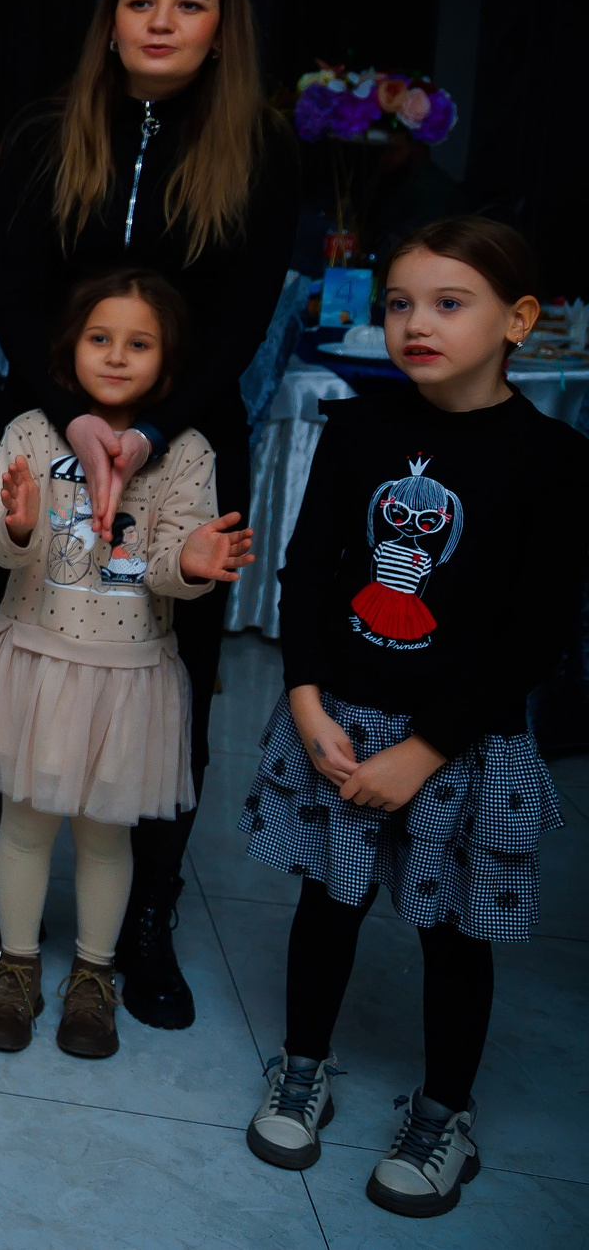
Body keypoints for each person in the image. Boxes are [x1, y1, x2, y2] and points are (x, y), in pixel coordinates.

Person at [0, 0, 300, 1025]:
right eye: (139, 0)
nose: (159, 21)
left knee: (173, 669)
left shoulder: (262, 146)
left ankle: (145, 913)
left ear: (219, 28)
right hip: (49, 418)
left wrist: (146, 436)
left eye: (187, 4)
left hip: (185, 437)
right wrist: (71, 424)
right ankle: (2, 899)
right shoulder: (50, 131)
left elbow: (241, 323)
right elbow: (13, 297)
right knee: (30, 644)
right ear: (111, 17)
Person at [240, 218, 584, 1218]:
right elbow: (307, 574)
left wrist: (429, 749)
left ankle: (444, 1110)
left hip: (461, 742)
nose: (414, 323)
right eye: (397, 303)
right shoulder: (358, 428)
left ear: (518, 318)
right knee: (327, 903)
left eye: (448, 303)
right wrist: (305, 699)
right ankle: (303, 1065)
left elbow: (536, 636)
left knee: (451, 933)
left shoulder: (552, 461)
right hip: (342, 717)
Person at [0, 270, 254, 1059]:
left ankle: (93, 976)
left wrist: (188, 557)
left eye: (139, 343)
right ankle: (15, 968)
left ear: (168, 360)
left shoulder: (186, 451)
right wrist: (18, 526)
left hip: (127, 679)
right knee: (22, 828)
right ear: (68, 348)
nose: (117, 356)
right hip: (37, 665)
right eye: (100, 338)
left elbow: (163, 575)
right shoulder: (28, 433)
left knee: (106, 838)